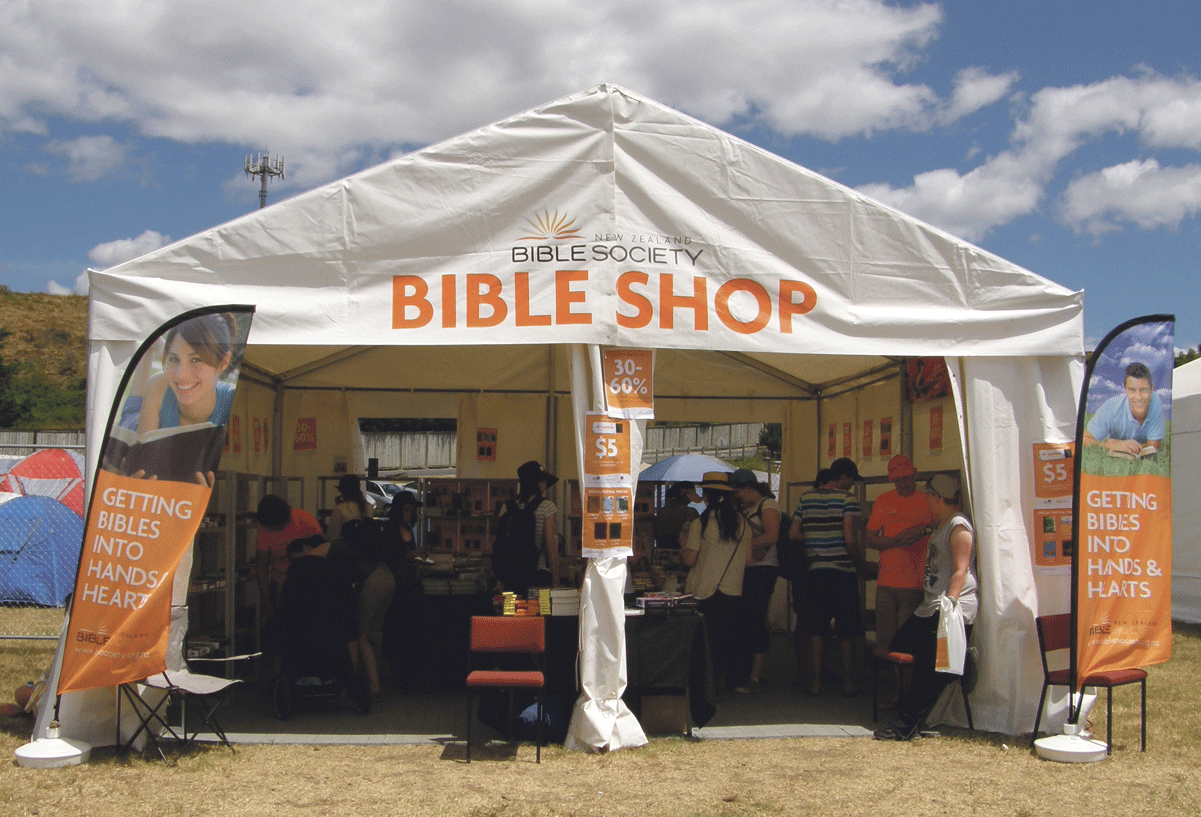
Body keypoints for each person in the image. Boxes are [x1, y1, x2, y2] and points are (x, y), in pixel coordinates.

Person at [875, 473, 978, 741]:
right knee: (901, 643)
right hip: (928, 605)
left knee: (927, 670)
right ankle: (960, 664)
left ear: (935, 498)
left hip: (946, 608)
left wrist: (950, 606)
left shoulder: (959, 527)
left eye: (927, 496)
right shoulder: (940, 522)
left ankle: (905, 726)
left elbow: (961, 569)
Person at [789, 457, 864, 697]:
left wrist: (814, 539)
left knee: (817, 630)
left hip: (816, 571)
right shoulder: (847, 500)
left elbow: (793, 534)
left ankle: (816, 683)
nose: (851, 486)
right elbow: (850, 539)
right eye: (851, 481)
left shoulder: (806, 498)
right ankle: (848, 683)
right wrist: (859, 562)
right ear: (843, 477)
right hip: (843, 571)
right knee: (847, 631)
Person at [865, 455, 936, 707]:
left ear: (915, 475)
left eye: (906, 478)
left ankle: (908, 696)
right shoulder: (884, 501)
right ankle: (899, 694)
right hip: (887, 582)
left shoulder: (927, 500)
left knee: (906, 643)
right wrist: (896, 540)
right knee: (886, 641)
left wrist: (921, 532)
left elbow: (941, 524)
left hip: (915, 584)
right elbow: (870, 537)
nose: (902, 484)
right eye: (897, 480)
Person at [683, 471, 752, 694]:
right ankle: (732, 682)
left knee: (708, 646)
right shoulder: (742, 523)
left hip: (705, 592)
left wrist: (684, 543)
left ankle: (711, 690)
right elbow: (748, 559)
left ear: (705, 496)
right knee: (729, 641)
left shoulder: (700, 524)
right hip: (733, 590)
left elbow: (690, 559)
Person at [136, 312, 238, 434]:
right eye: (174, 359)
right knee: (133, 409)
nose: (180, 375)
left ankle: (159, 346)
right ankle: (156, 344)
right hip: (134, 422)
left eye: (196, 359)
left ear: (223, 362)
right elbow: (141, 450)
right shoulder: (159, 385)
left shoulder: (234, 403)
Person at [730, 468, 781, 694]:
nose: (737, 495)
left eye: (738, 490)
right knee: (748, 618)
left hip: (762, 568)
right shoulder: (746, 507)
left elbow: (772, 536)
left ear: (748, 488)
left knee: (756, 617)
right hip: (749, 568)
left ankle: (755, 673)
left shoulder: (768, 505)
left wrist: (744, 547)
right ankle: (753, 669)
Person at [495, 460, 560, 592]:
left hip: (510, 579)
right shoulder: (547, 507)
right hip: (537, 577)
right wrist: (556, 582)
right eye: (542, 480)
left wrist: (499, 580)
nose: (545, 484)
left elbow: (500, 544)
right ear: (538, 483)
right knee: (540, 611)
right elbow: (551, 545)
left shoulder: (506, 507)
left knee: (511, 611)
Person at [255, 494, 323, 621]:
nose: (275, 531)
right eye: (271, 529)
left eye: (278, 527)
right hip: (280, 582)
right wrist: (266, 601)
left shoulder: (303, 519)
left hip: (310, 583)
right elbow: (261, 565)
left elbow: (324, 548)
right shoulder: (264, 530)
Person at [1082, 361, 1165, 457]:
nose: (1138, 397)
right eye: (1132, 390)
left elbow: (1154, 447)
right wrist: (1111, 445)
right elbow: (1085, 439)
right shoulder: (1111, 407)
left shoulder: (1155, 402)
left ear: (1152, 389)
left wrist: (1128, 447)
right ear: (1125, 388)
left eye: (1143, 390)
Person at [325, 474, 374, 542]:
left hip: (345, 548)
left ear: (343, 492)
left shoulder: (340, 508)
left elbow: (332, 536)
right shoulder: (369, 507)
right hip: (364, 548)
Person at [654, 481, 700, 550]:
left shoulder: (661, 511)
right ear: (684, 494)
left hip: (661, 554)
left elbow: (655, 534)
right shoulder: (690, 512)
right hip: (683, 553)